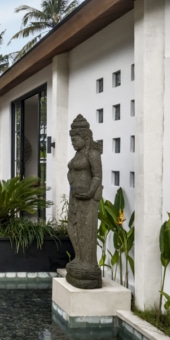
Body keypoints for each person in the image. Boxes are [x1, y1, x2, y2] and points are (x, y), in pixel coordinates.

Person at [65, 114, 103, 289]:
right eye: (72, 139)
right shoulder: (77, 155)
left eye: (76, 138)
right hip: (75, 197)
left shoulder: (92, 153)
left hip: (87, 199)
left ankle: (87, 265)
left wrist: (89, 192)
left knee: (85, 230)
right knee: (72, 227)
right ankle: (78, 258)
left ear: (85, 138)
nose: (73, 142)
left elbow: (97, 175)